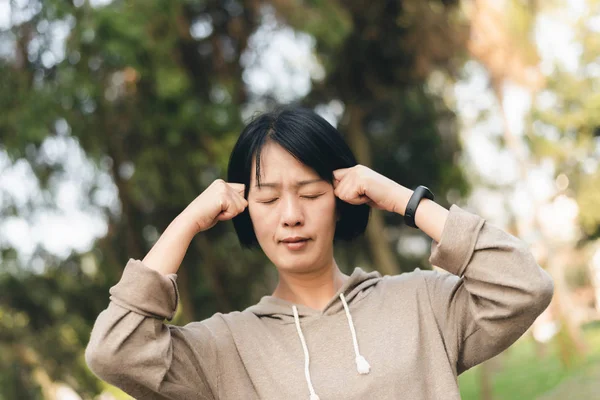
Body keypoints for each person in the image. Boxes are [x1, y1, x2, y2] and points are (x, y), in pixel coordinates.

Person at [85, 106, 554, 400]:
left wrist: (402, 199)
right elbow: (114, 352)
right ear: (246, 211)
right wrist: (187, 221)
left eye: (310, 193)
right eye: (268, 199)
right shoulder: (222, 350)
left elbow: (523, 286)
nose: (290, 215)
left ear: (342, 198)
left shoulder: (423, 304)